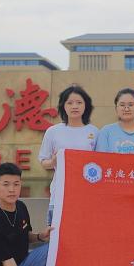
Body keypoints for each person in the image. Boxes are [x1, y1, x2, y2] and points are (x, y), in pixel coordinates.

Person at [39, 85, 98, 226]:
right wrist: (53, 162)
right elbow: (43, 161)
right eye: (70, 103)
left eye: (79, 102)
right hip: (59, 194)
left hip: (87, 195)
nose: (74, 106)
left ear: (86, 105)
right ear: (63, 106)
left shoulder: (94, 132)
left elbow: (100, 163)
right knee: (57, 235)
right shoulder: (53, 131)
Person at [95, 88, 134, 154]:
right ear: (116, 108)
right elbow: (100, 159)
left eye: (130, 105)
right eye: (122, 105)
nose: (126, 109)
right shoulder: (106, 132)